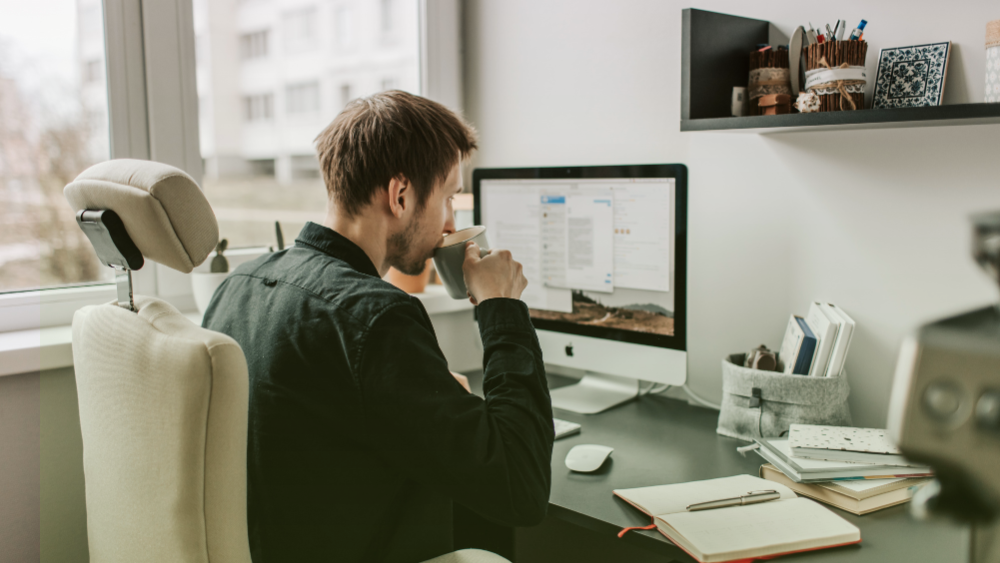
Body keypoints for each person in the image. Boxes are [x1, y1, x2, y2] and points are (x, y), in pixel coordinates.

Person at [202, 90, 554, 563]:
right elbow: (521, 488)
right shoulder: (378, 317)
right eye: (449, 198)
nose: (451, 223)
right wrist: (501, 307)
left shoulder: (238, 286)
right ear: (401, 195)